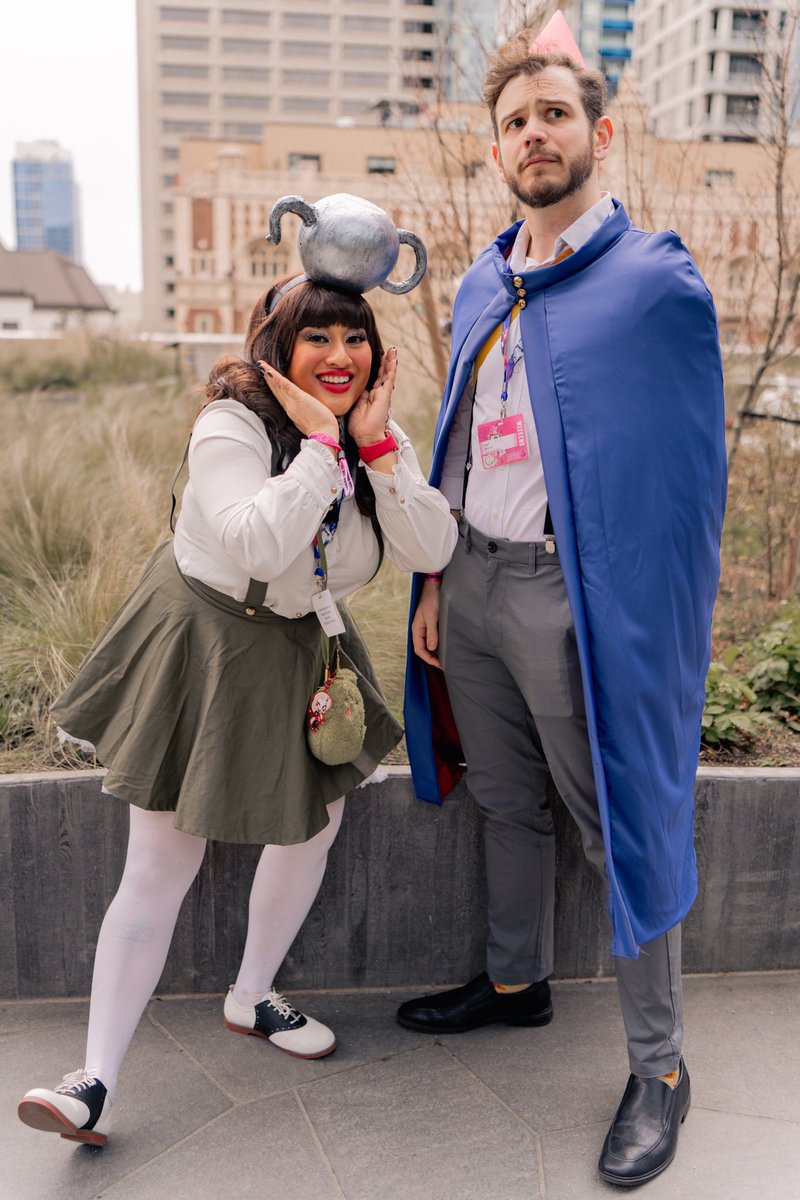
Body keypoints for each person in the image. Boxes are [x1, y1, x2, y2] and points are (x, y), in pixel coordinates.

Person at [17, 274, 457, 1147]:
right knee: (162, 857)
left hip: (305, 644)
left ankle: (252, 995)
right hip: (207, 641)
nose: (340, 356)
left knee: (316, 824)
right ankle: (92, 1080)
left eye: (355, 337)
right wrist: (327, 451)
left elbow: (434, 544)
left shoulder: (370, 438)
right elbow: (254, 537)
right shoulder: (232, 423)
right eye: (317, 337)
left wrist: (374, 454)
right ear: (277, 346)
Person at [400, 17, 727, 1190]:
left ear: (596, 131)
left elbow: (686, 487)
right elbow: (455, 438)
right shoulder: (486, 275)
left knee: (617, 821)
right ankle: (512, 981)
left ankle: (659, 1068)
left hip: (571, 600)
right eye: (511, 123)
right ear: (494, 151)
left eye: (550, 115)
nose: (531, 135)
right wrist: (436, 577)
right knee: (503, 800)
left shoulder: (652, 284)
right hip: (475, 585)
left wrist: (634, 620)